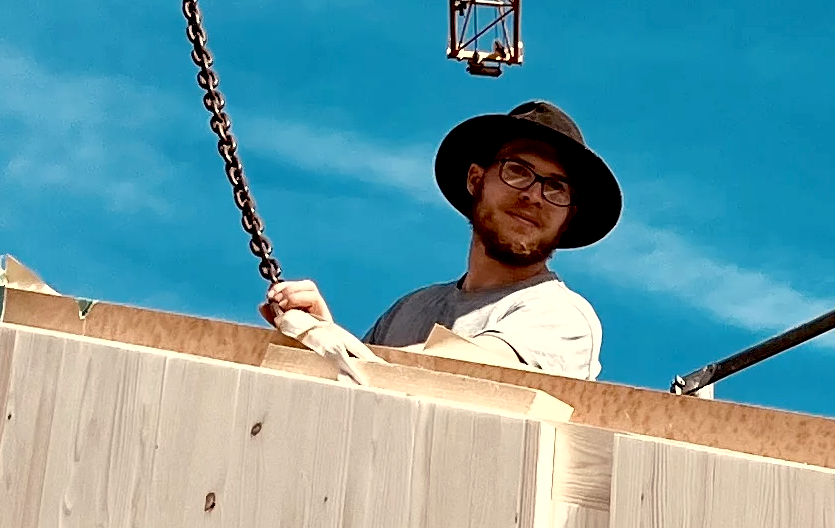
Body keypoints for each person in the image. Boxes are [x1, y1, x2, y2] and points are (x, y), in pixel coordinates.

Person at [262, 100, 621, 379]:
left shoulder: (561, 316)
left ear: (569, 217)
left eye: (556, 187)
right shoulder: (408, 313)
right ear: (475, 180)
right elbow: (359, 393)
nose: (534, 196)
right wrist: (322, 336)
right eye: (517, 171)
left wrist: (332, 344)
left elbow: (463, 375)